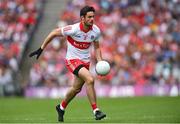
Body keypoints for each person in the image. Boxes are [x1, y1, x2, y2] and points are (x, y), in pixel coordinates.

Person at [29, 6, 106, 122]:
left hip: (85, 62)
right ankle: (96, 111)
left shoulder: (96, 31)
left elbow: (97, 48)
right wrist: (41, 48)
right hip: (72, 60)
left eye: (93, 17)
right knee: (90, 79)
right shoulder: (73, 29)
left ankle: (61, 107)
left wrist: (100, 61)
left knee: (76, 89)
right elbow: (54, 32)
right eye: (89, 17)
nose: (92, 19)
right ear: (82, 18)